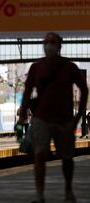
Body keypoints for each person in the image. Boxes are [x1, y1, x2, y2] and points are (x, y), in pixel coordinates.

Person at [20, 32, 88, 203]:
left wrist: (79, 115)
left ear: (59, 46)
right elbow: (27, 90)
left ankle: (68, 190)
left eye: (52, 42)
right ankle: (39, 194)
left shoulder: (69, 67)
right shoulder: (36, 67)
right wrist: (23, 112)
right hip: (41, 118)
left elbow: (84, 89)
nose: (48, 45)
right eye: (46, 42)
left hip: (64, 119)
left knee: (67, 157)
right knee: (39, 155)